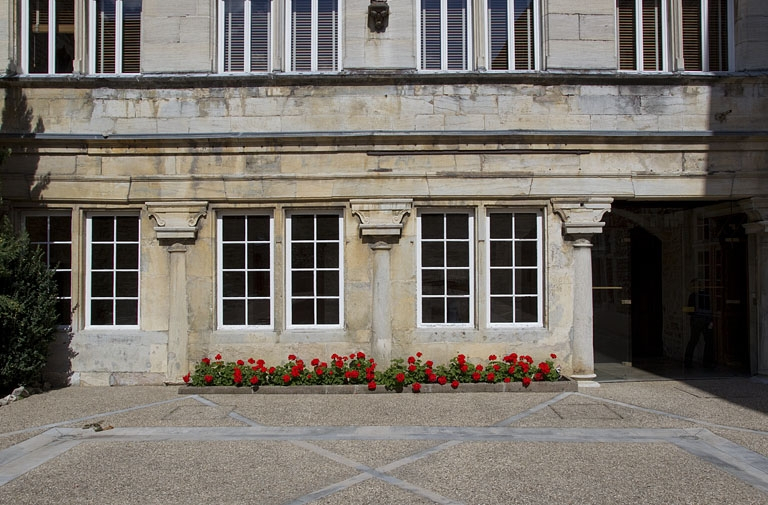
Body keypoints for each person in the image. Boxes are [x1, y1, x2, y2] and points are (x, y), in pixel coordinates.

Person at [684, 280, 714, 368]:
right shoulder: (707, 295)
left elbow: (690, 311)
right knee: (708, 341)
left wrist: (686, 310)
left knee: (693, 341)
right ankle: (707, 362)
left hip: (696, 321)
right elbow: (710, 309)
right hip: (706, 320)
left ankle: (688, 361)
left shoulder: (693, 296)